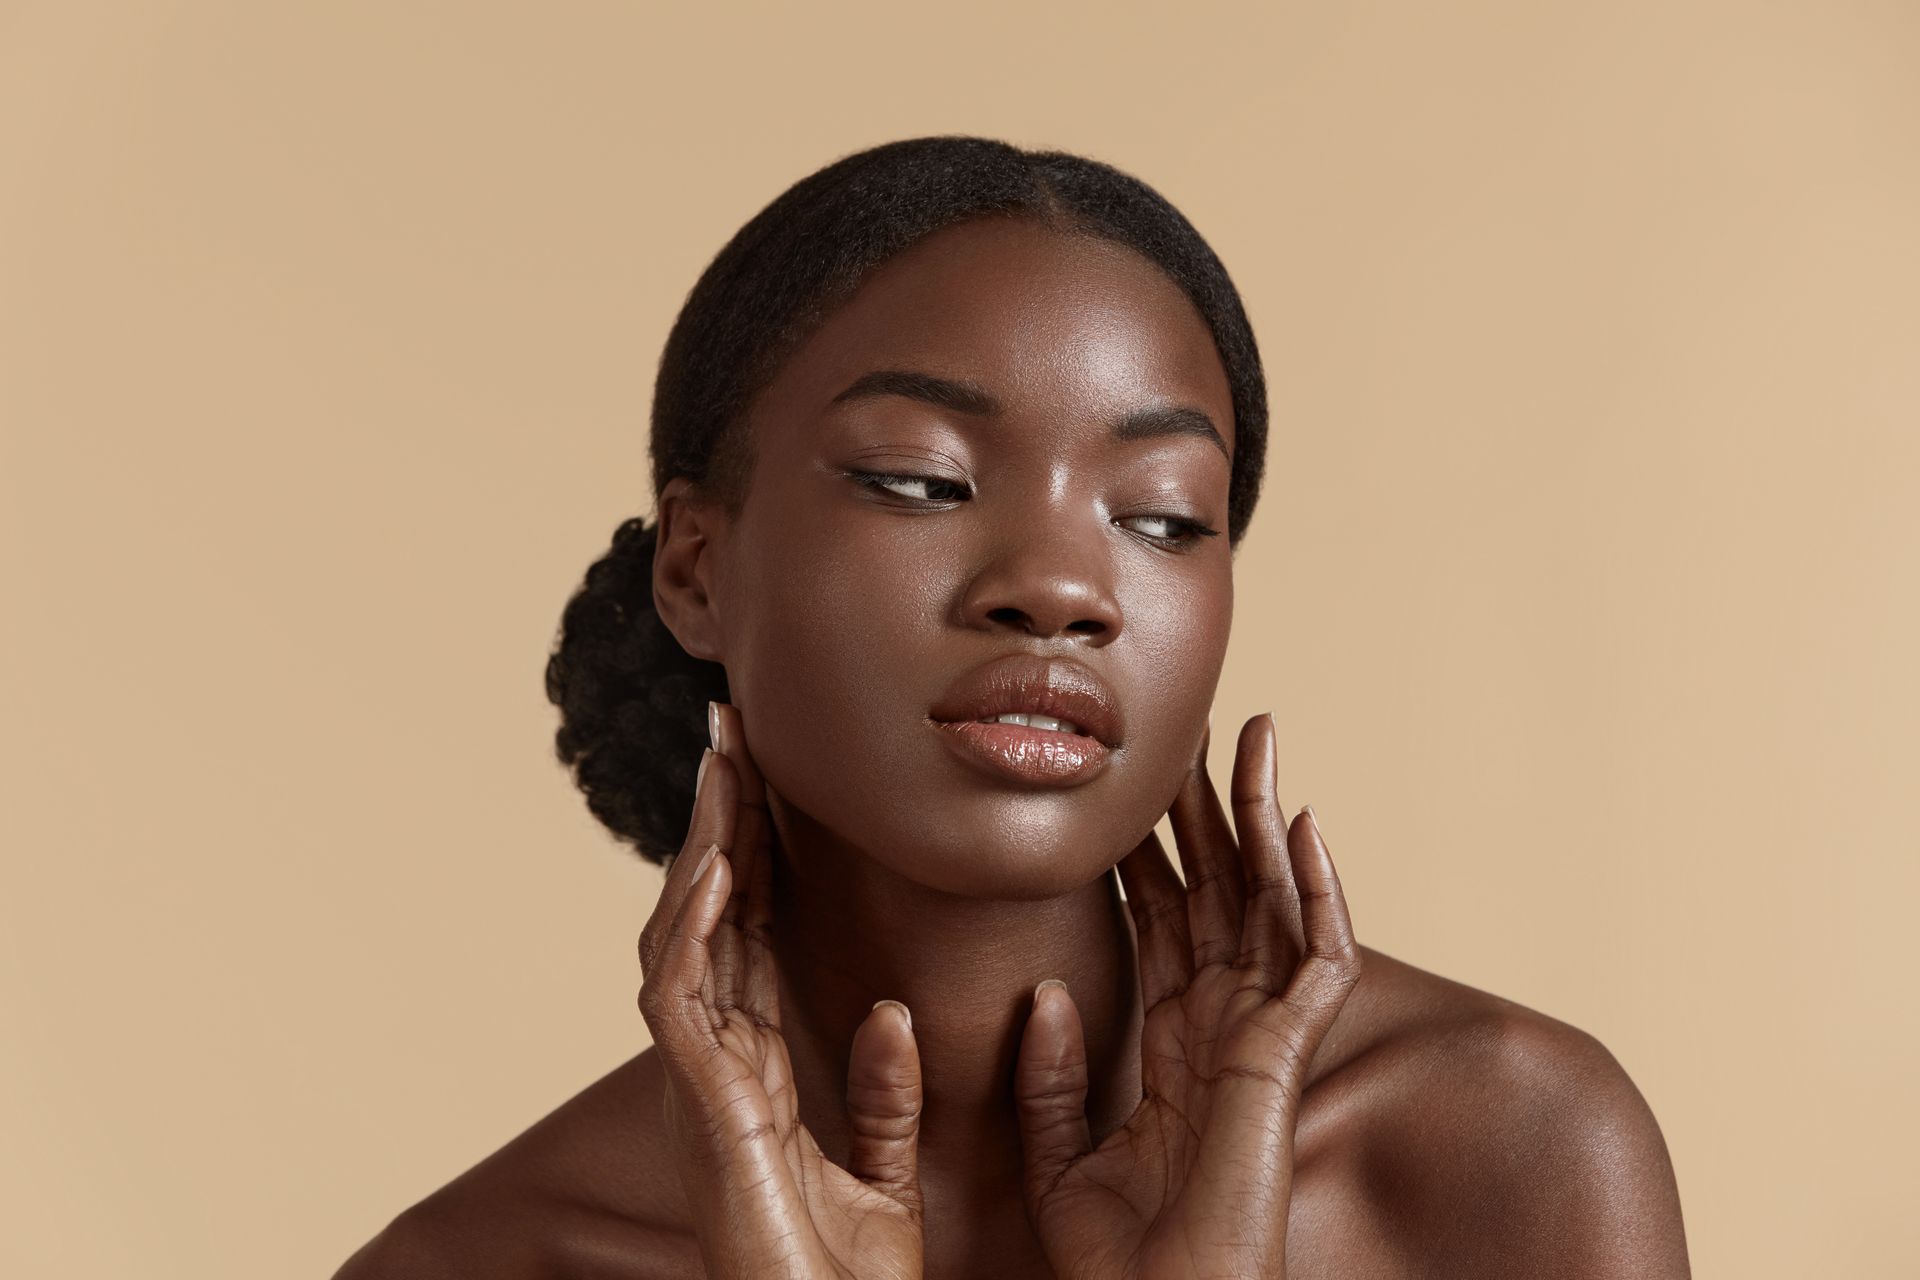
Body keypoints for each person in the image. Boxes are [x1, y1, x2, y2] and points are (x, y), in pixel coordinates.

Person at [332, 136, 1690, 1278]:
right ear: (695, 569)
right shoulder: (484, 1262)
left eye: (1162, 515)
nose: (1058, 590)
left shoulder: (1507, 1153)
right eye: (922, 482)